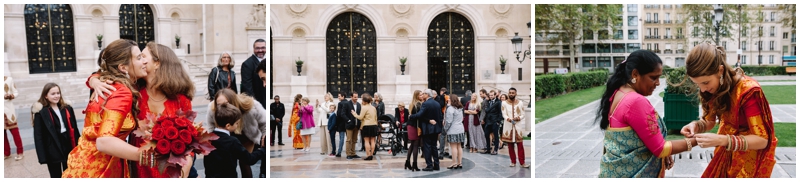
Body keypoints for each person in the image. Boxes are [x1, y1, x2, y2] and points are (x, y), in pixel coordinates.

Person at [87, 42, 197, 178]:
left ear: (157, 63)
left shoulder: (180, 98)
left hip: (172, 169)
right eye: (139, 57)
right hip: (140, 167)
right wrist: (94, 81)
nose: (142, 60)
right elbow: (110, 68)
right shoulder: (133, 92)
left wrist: (184, 171)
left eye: (143, 56)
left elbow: (189, 141)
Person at [679, 43, 778, 178]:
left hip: (749, 161)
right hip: (726, 155)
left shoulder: (749, 92)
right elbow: (709, 120)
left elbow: (762, 140)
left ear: (720, 70)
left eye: (706, 83)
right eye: (698, 84)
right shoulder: (716, 88)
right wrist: (696, 125)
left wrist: (722, 140)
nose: (702, 89)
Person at [596, 50, 696, 177]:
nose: (658, 83)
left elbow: (642, 137)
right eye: (653, 77)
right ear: (635, 74)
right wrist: (695, 141)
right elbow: (661, 149)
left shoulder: (619, 92)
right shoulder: (635, 101)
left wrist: (662, 152)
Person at [62, 39, 150, 178]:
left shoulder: (107, 83)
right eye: (139, 58)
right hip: (99, 167)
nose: (144, 61)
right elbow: (104, 142)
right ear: (123, 67)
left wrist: (93, 80)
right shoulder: (121, 92)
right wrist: (146, 156)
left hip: (83, 161)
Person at [204, 88, 266, 177]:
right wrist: (212, 142)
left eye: (226, 104)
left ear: (233, 101)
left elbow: (265, 122)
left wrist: (265, 136)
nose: (222, 108)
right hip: (224, 135)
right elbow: (210, 127)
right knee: (223, 161)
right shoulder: (212, 108)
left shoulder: (251, 106)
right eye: (218, 105)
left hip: (245, 135)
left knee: (244, 161)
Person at [32, 83, 81, 177]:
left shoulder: (67, 108)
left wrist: (79, 146)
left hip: (67, 142)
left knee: (70, 171)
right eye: (53, 94)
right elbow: (38, 135)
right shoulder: (41, 112)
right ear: (46, 95)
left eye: (58, 93)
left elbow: (74, 128)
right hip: (52, 146)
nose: (56, 96)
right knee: (55, 174)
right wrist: (42, 156)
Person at [410, 89, 443, 171]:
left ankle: (429, 165)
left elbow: (420, 115)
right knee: (434, 147)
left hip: (427, 129)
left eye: (424, 93)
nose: (423, 95)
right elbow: (440, 117)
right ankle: (436, 165)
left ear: (427, 95)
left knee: (427, 147)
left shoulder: (425, 104)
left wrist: (411, 116)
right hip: (435, 128)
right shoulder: (437, 104)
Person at [501, 88, 529, 168]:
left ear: (516, 94)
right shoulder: (504, 103)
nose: (511, 94)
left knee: (520, 145)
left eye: (513, 93)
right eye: (510, 93)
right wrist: (508, 119)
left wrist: (518, 118)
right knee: (510, 145)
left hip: (517, 126)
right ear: (508, 93)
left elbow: (523, 114)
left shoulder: (520, 103)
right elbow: (504, 114)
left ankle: (522, 162)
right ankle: (513, 161)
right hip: (508, 126)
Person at [351, 93, 379, 161]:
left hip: (366, 125)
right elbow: (376, 118)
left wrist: (354, 113)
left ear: (365, 101)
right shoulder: (373, 108)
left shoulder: (364, 108)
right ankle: (371, 154)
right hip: (374, 125)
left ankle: (368, 155)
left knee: (366, 141)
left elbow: (360, 117)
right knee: (372, 140)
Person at [241, 39, 267, 108]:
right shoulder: (247, 64)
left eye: (263, 48)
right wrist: (255, 105)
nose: (260, 50)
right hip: (258, 103)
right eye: (257, 48)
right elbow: (247, 87)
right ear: (253, 49)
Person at [4, 73, 24, 160]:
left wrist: (10, 95)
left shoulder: (8, 79)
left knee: (15, 132)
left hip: (8, 110)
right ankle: (6, 153)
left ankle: (20, 152)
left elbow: (15, 92)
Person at [444, 94, 465, 169]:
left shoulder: (450, 108)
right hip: (460, 128)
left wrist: (445, 128)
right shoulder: (460, 108)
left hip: (453, 129)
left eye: (449, 99)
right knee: (459, 146)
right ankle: (460, 162)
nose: (447, 100)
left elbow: (449, 121)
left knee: (453, 147)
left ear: (452, 100)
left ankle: (454, 163)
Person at [403, 90, 423, 171]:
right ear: (417, 96)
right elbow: (419, 116)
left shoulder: (412, 104)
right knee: (415, 145)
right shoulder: (418, 104)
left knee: (412, 144)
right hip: (415, 126)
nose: (422, 96)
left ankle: (407, 162)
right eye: (420, 95)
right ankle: (415, 164)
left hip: (410, 126)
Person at [482, 90, 502, 155]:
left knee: (496, 136)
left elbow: (500, 112)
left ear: (495, 95)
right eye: (490, 95)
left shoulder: (498, 102)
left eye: (492, 95)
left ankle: (495, 150)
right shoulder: (488, 101)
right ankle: (488, 149)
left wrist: (498, 121)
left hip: (495, 121)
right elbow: (486, 111)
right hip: (488, 121)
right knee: (486, 135)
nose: (490, 96)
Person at [343, 92, 362, 159]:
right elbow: (343, 114)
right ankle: (348, 154)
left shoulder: (359, 105)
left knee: (354, 140)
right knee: (349, 140)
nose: (356, 98)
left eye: (357, 97)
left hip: (357, 125)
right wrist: (348, 121)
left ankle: (353, 153)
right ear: (351, 97)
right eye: (354, 97)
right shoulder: (347, 104)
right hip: (349, 125)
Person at [334, 93, 351, 157]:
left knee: (342, 138)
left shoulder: (340, 103)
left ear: (343, 96)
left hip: (341, 123)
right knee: (349, 138)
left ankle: (339, 152)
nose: (338, 97)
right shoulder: (349, 103)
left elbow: (339, 114)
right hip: (348, 122)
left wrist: (337, 123)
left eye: (339, 96)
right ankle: (349, 151)